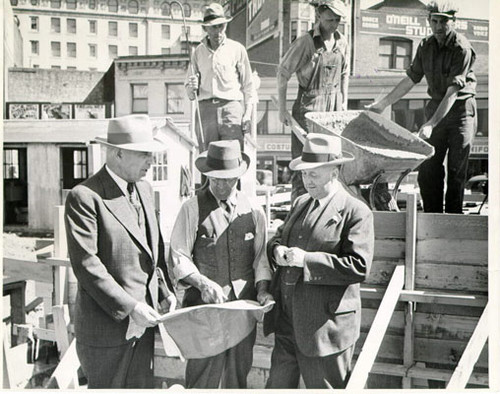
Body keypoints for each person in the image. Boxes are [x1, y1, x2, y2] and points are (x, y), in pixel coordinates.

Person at [65, 115, 176, 388]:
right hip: (107, 333)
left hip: (144, 327)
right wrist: (131, 307)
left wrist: (165, 292)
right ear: (117, 154)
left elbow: (154, 252)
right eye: (143, 155)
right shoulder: (85, 197)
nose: (151, 162)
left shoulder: (145, 190)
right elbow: (87, 265)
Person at [263, 133, 374, 389]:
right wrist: (276, 251)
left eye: (314, 174)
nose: (307, 180)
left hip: (325, 330)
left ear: (334, 172)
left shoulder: (356, 211)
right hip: (288, 324)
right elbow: (278, 238)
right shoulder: (301, 202)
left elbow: (358, 266)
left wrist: (307, 261)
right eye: (304, 174)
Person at [167, 139, 273, 389]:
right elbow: (178, 255)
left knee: (237, 376)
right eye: (215, 179)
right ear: (207, 176)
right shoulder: (192, 208)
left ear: (239, 176)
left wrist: (262, 291)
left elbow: (261, 259)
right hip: (204, 312)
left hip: (241, 312)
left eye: (228, 179)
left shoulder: (254, 210)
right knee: (202, 376)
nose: (222, 185)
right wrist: (202, 282)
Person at [366, 0, 477, 214]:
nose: (438, 26)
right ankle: (432, 219)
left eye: (443, 21)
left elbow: (452, 93)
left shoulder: (461, 48)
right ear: (429, 21)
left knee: (456, 171)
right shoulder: (425, 46)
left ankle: (453, 221)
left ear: (453, 21)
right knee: (428, 168)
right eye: (434, 21)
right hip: (436, 106)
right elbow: (410, 80)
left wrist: (431, 123)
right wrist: (383, 104)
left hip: (461, 111)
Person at [277, 0, 349, 202]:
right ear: (318, 15)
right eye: (329, 20)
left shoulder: (342, 42)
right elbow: (282, 73)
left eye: (337, 20)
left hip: (332, 114)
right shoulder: (305, 43)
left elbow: (344, 74)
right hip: (307, 111)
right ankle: (299, 215)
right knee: (306, 169)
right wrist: (282, 110)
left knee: (331, 167)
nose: (334, 25)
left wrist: (343, 103)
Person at [185, 3, 257, 152]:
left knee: (232, 158)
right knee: (208, 158)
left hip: (231, 110)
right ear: (205, 28)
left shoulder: (237, 49)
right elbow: (190, 93)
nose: (218, 31)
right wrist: (192, 88)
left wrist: (247, 115)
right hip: (205, 111)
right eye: (213, 27)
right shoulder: (197, 52)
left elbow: (248, 85)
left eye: (221, 26)